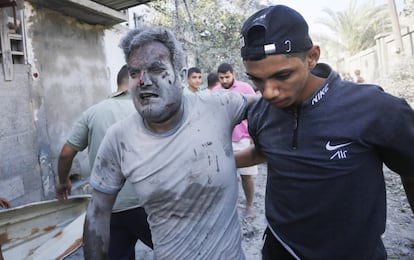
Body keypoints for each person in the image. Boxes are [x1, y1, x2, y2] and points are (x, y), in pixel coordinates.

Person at [236, 5, 414, 259]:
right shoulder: (260, 112)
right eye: (257, 79)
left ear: (312, 56)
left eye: (282, 75)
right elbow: (267, 151)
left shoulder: (377, 108)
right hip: (281, 250)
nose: (269, 92)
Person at [82, 26, 259, 259]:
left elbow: (270, 104)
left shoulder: (218, 106)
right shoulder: (119, 139)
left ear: (179, 74)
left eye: (156, 69)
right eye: (134, 73)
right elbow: (98, 211)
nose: (143, 81)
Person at [56, 64, 153, 259]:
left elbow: (66, 153)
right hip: (148, 203)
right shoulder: (151, 110)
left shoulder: (93, 112)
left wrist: (62, 181)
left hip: (110, 207)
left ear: (118, 83)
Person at [214, 62, 258, 220]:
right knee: (225, 176)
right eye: (221, 78)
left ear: (233, 74)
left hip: (243, 139)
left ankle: (249, 205)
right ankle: (227, 208)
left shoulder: (245, 88)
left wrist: (254, 136)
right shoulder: (215, 92)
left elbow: (256, 113)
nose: (224, 80)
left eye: (227, 77)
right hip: (223, 142)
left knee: (247, 175)